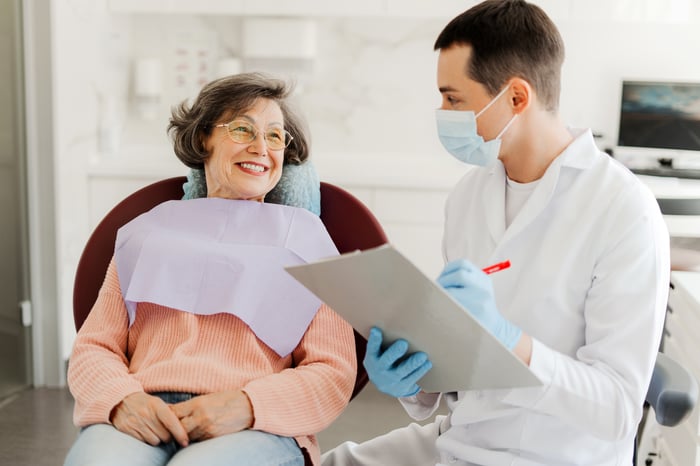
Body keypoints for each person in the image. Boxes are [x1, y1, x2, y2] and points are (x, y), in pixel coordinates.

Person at [322, 1, 670, 465]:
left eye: (453, 98)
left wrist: (513, 344)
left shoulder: (624, 210)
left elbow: (616, 410)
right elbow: (458, 369)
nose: (442, 112)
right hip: (461, 440)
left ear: (516, 97)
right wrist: (413, 378)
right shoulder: (468, 196)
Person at [64, 72, 357, 466]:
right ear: (205, 137)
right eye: (242, 129)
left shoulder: (306, 240)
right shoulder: (151, 230)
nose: (260, 148)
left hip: (253, 426)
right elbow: (95, 346)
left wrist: (247, 405)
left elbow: (332, 370)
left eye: (274, 137)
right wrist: (121, 399)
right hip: (144, 409)